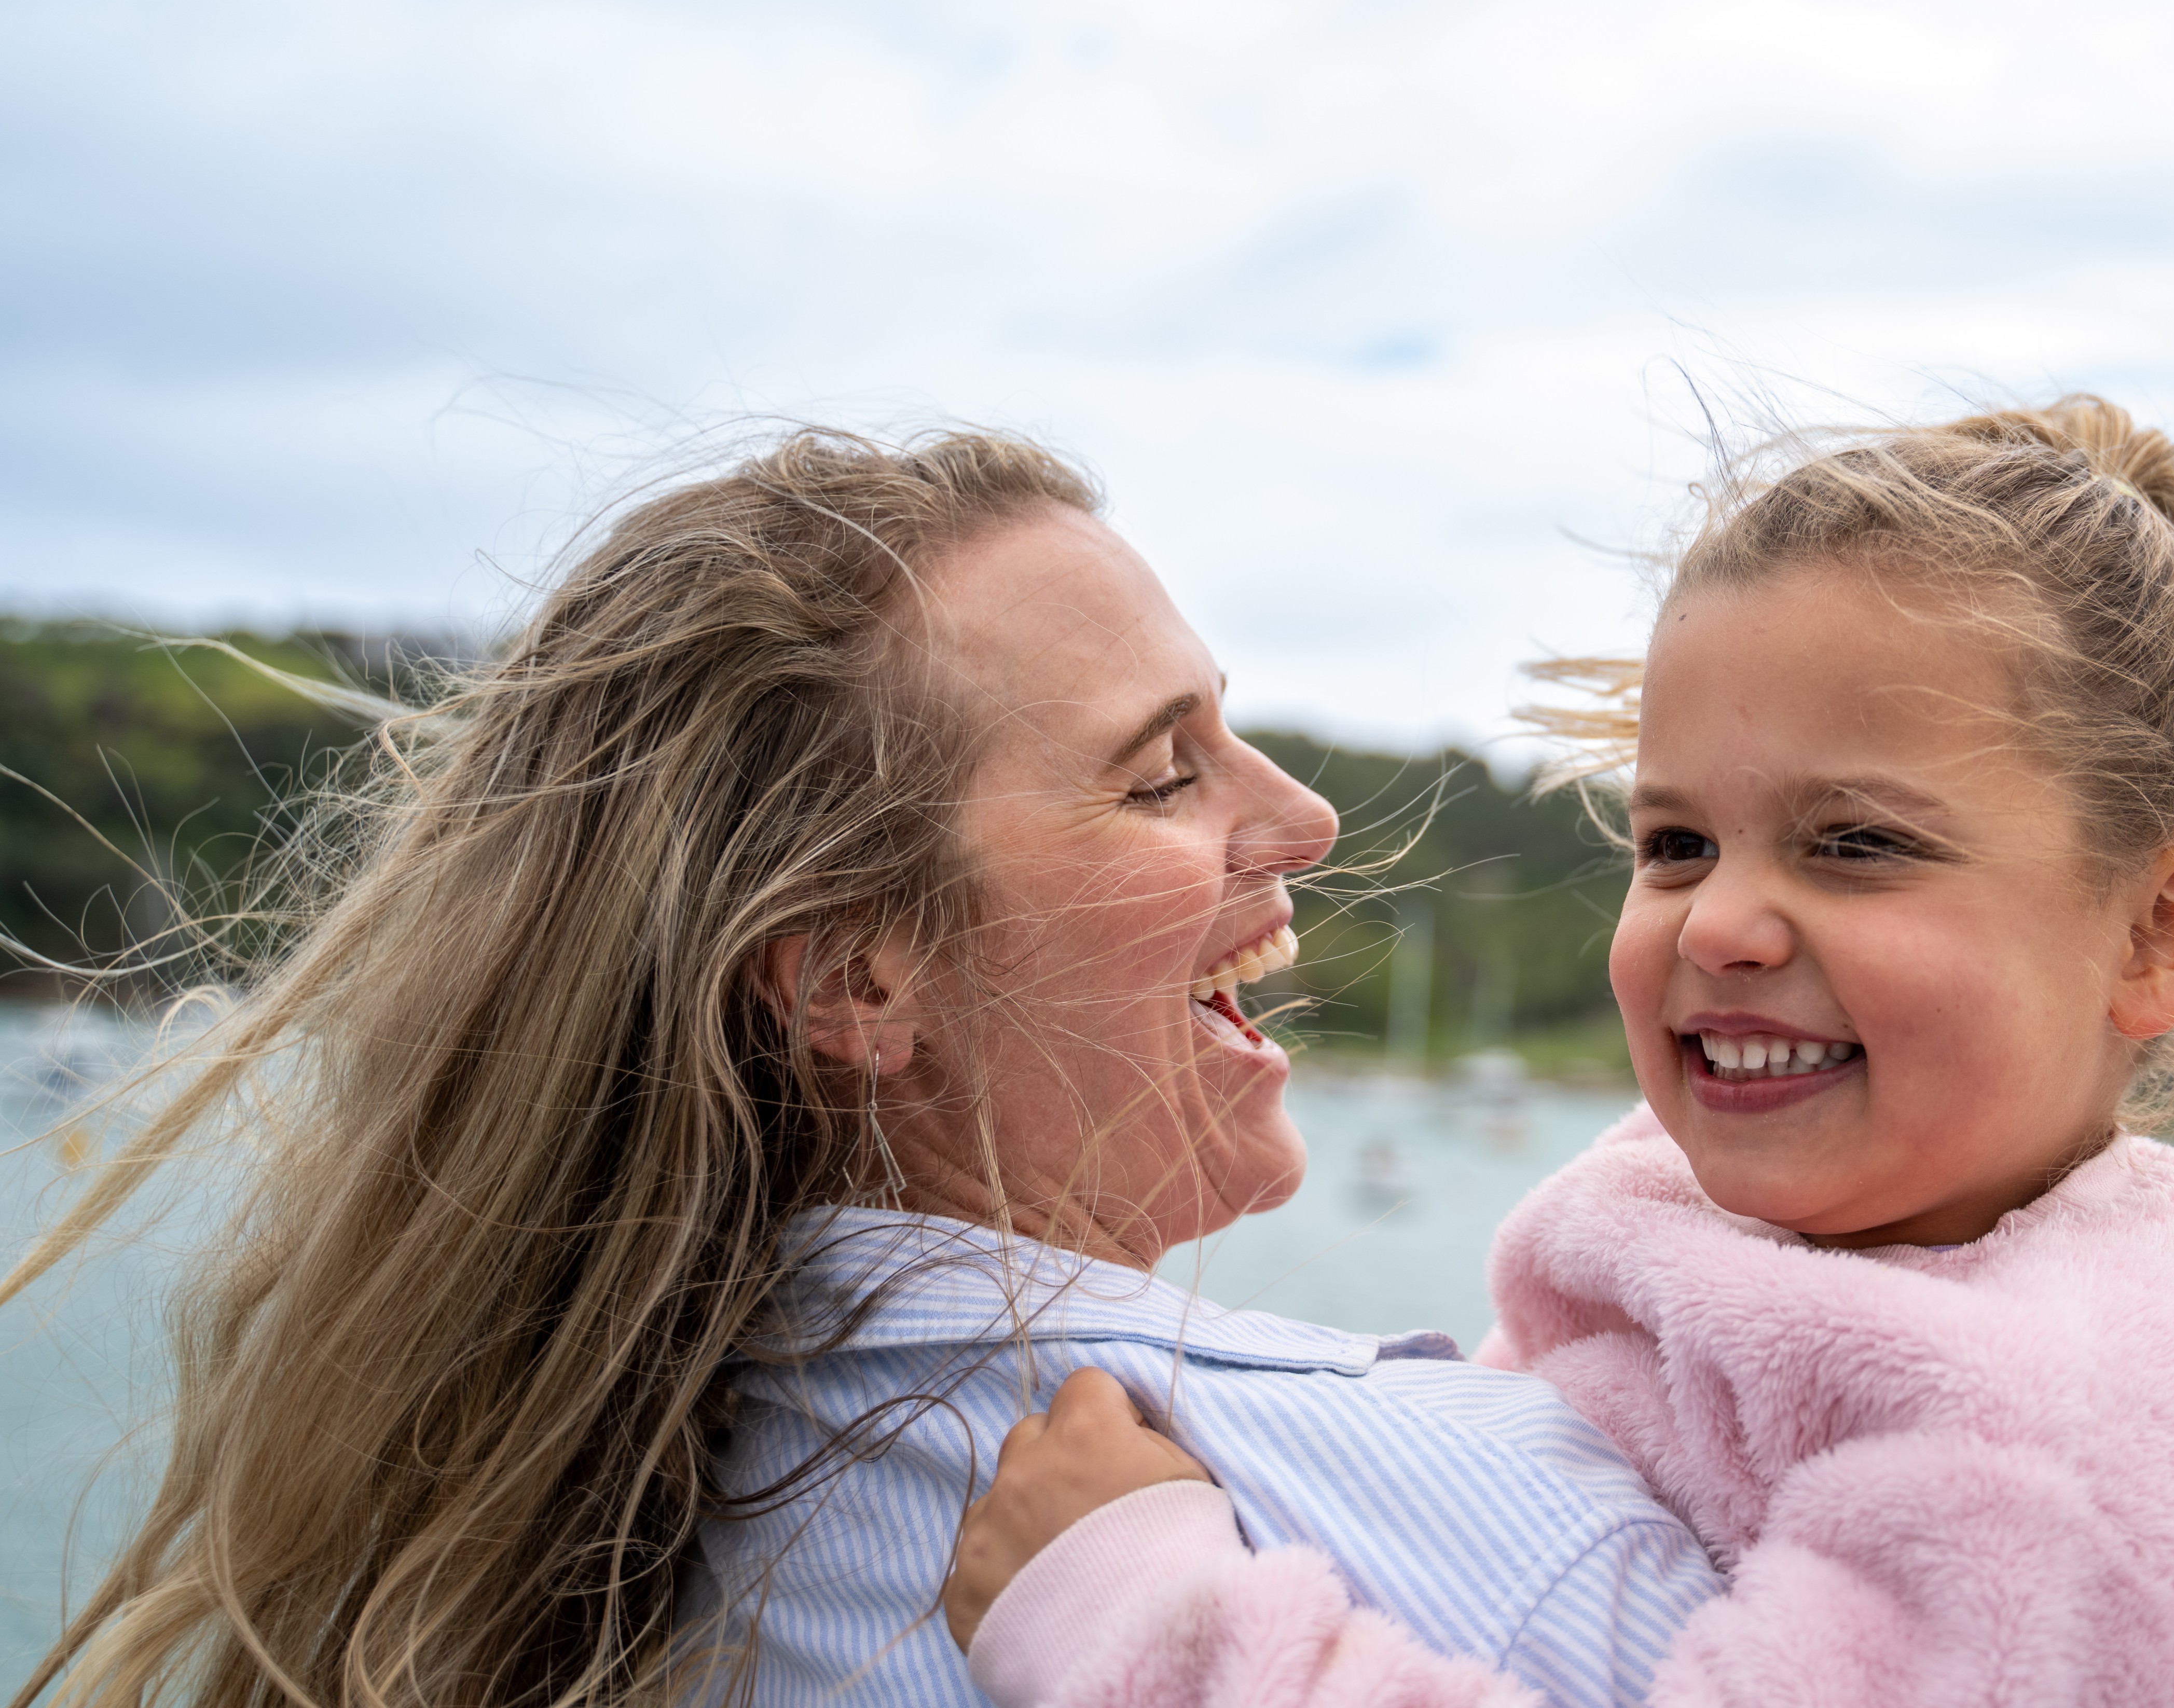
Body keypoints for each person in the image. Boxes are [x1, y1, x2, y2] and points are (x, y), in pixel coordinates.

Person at [3, 429, 1721, 1708]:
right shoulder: (1450, 1522)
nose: (1306, 815)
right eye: (1159, 772)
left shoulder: (596, 1572)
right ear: (852, 976)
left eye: (1231, 727)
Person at [944, 398, 2174, 1706]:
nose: (1721, 922)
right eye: (1674, 842)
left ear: (2158, 939)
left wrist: (1138, 1613)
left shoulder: (2081, 1443)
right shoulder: (1708, 1210)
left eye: (1855, 843)